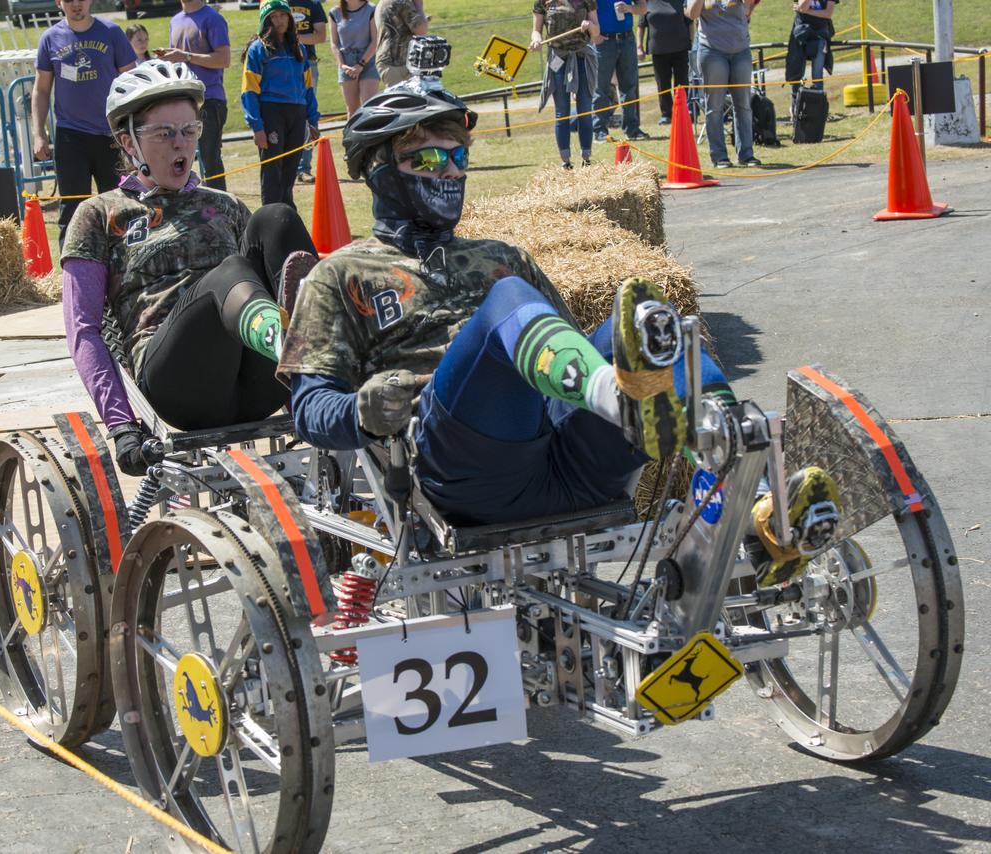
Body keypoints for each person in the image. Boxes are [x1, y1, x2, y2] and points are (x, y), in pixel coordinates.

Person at [278, 82, 841, 588]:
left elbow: (562, 351)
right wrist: (364, 411)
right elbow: (308, 409)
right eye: (426, 157)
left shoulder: (501, 256)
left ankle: (754, 500)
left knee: (651, 319)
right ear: (377, 170)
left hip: (576, 462)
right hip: (463, 471)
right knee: (507, 302)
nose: (450, 171)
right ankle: (623, 402)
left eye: (457, 156)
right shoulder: (341, 274)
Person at [60, 61, 319, 471]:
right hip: (177, 380)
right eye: (165, 134)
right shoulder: (100, 214)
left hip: (255, 380)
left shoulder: (226, 206)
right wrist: (121, 423)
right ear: (128, 141)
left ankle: (315, 377)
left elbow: (275, 275)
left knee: (276, 217)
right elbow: (83, 329)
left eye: (190, 131)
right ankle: (299, 351)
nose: (181, 144)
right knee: (228, 274)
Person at [32, 0, 138, 244]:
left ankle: (123, 264)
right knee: (72, 207)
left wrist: (131, 127)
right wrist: (38, 133)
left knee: (119, 204)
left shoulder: (111, 32)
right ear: (59, 3)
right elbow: (41, 90)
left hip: (111, 134)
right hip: (71, 135)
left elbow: (132, 81)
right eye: (69, 0)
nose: (76, 4)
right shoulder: (50, 38)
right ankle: (71, 269)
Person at [241, 1, 321, 209]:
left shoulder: (299, 49)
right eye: (274, 16)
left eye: (283, 15)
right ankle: (271, 214)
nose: (280, 21)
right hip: (271, 113)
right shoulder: (258, 50)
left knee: (291, 167)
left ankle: (287, 211)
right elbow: (249, 90)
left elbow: (308, 88)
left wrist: (313, 120)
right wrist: (257, 126)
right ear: (265, 20)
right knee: (272, 169)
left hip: (297, 112)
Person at [161, 0, 231, 191]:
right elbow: (177, 59)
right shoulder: (175, 21)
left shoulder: (213, 18)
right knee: (179, 156)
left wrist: (186, 56)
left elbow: (224, 59)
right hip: (182, 101)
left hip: (209, 99)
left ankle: (219, 210)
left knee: (210, 158)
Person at [687, 0, 761, 168]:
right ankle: (719, 156)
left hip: (740, 49)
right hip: (712, 51)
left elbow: (747, 9)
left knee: (743, 104)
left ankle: (746, 154)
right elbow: (692, 14)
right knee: (714, 106)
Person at [530, 0, 600, 169]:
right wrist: (536, 40)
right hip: (557, 59)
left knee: (585, 109)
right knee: (562, 111)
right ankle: (566, 160)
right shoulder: (543, 2)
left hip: (582, 57)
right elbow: (536, 31)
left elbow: (597, 32)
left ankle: (586, 157)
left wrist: (589, 25)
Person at [591, 0, 650, 142]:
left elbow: (643, 8)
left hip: (627, 39)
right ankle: (599, 131)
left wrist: (629, 8)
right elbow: (584, 11)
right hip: (603, 42)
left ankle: (632, 129)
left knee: (629, 87)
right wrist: (594, 36)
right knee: (600, 88)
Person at [289, 0, 328, 184]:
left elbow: (320, 36)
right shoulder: (276, 3)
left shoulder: (313, 4)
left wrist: (290, 37)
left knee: (308, 112)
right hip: (279, 63)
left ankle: (304, 168)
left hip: (308, 62)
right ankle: (286, 166)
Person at [644, 0, 693, 124]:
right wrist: (639, 46)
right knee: (662, 83)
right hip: (658, 50)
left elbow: (690, 22)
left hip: (681, 48)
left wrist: (691, 42)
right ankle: (666, 114)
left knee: (682, 82)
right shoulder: (648, 2)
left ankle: (682, 111)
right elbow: (641, 24)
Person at [330, 0, 380, 117]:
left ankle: (370, 135)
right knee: (352, 110)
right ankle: (351, 135)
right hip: (346, 61)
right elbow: (334, 43)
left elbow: (375, 41)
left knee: (369, 107)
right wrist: (342, 65)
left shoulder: (371, 9)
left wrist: (361, 64)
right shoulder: (335, 12)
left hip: (368, 60)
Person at [785, 0, 835, 97]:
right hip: (801, 33)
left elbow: (828, 14)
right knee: (797, 68)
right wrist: (804, 10)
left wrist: (807, 11)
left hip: (820, 35)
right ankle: (796, 103)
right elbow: (803, 7)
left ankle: (818, 104)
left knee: (817, 73)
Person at [374, 0, 428, 88]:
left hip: (387, 63)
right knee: (408, 100)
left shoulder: (383, 2)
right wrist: (419, 6)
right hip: (399, 65)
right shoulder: (402, 2)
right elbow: (421, 30)